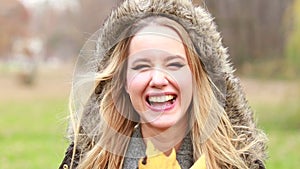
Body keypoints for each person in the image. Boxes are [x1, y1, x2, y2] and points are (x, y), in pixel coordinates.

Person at [59, 0, 267, 169]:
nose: (158, 80)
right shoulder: (91, 164)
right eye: (142, 66)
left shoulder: (236, 164)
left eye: (174, 64)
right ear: (123, 81)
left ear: (196, 77)